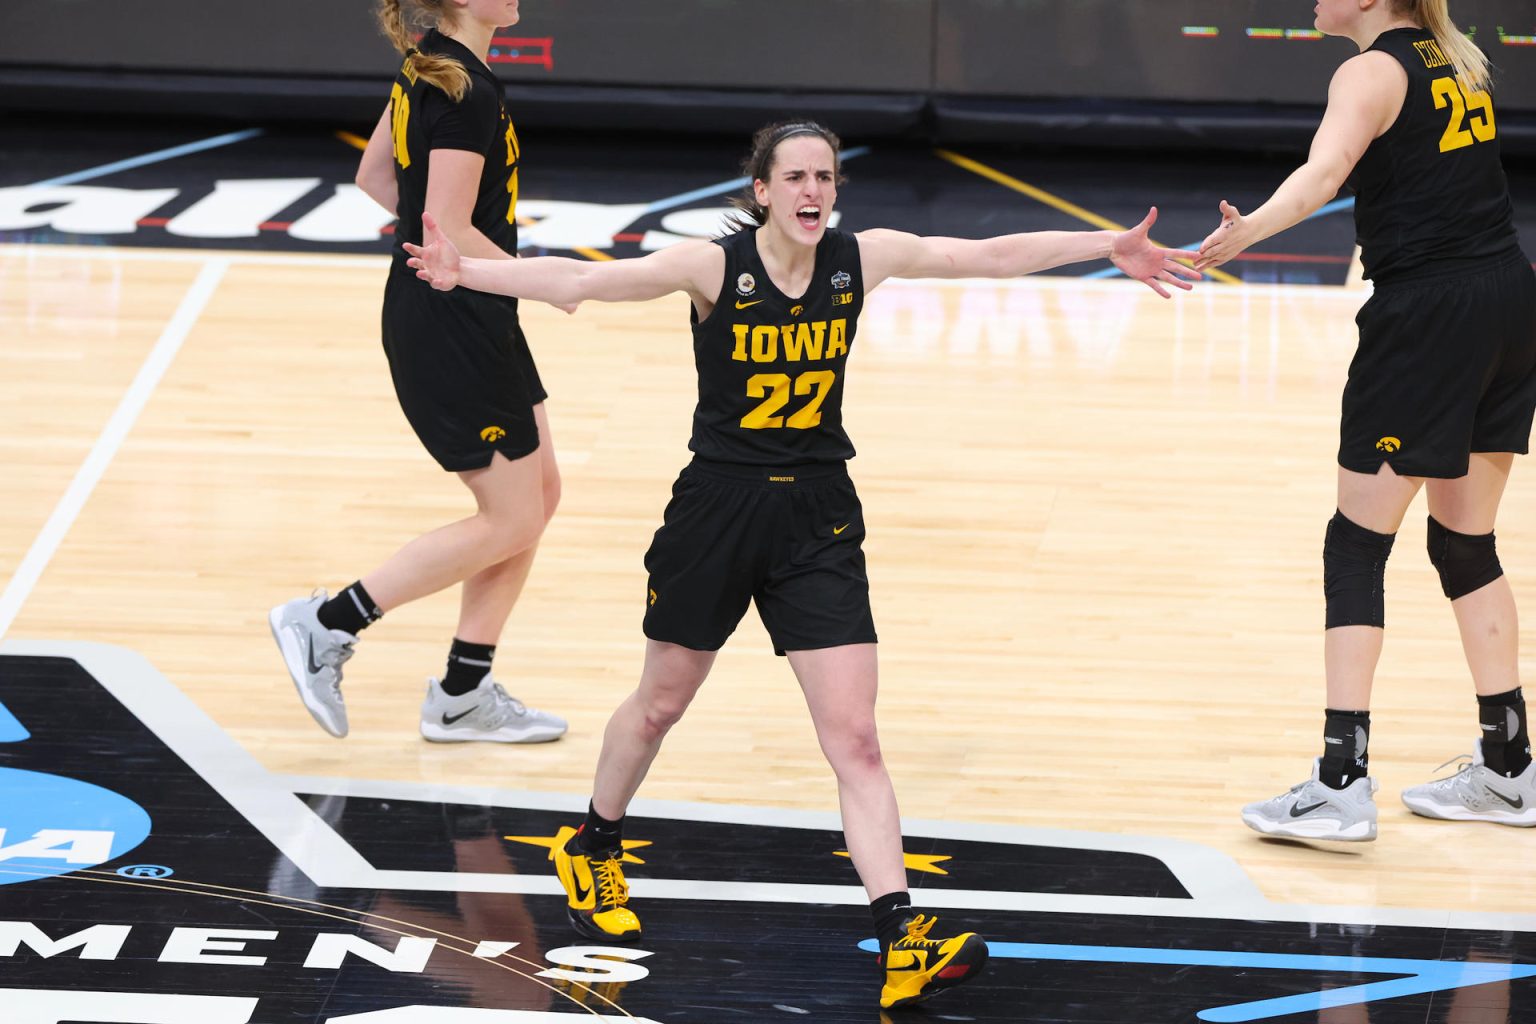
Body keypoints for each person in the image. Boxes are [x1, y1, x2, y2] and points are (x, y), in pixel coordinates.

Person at [406, 118, 1200, 1009]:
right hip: (718, 509)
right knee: (662, 701)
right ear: (763, 191)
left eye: (824, 176)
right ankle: (592, 843)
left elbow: (988, 253)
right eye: (794, 177)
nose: (812, 190)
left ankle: (902, 931)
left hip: (819, 512)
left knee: (854, 737)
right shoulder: (713, 267)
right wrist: (464, 270)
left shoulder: (864, 257)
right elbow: (584, 281)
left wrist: (1109, 245)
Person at [1197, 0, 1536, 840]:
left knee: (1357, 542)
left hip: (1431, 317)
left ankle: (1341, 782)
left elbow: (1322, 175)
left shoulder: (1369, 69)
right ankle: (1511, 768)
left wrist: (1249, 232)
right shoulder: (1453, 57)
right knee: (1464, 542)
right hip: (1507, 299)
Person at [268, 0, 566, 746]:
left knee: (540, 492)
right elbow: (455, 228)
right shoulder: (466, 87)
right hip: (450, 322)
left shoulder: (429, 60)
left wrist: (440, 250)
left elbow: (375, 175)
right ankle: (328, 622)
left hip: (464, 307)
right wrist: (549, 279)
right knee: (512, 516)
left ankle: (464, 692)